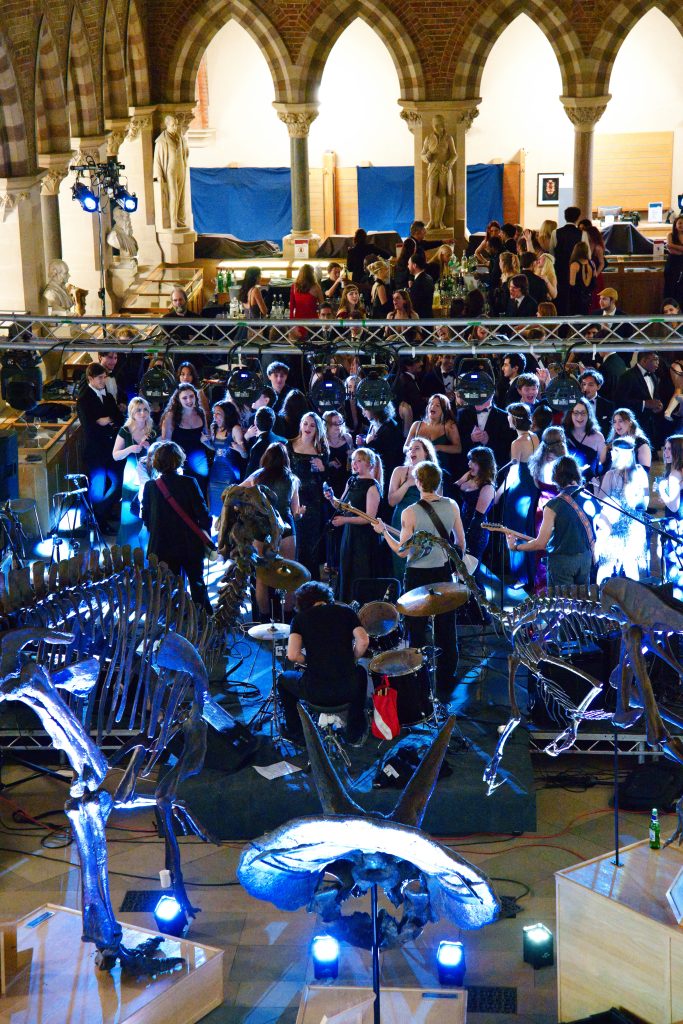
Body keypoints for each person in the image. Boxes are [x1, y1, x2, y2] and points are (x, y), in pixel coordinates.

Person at [373, 460, 465, 696]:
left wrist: (384, 532)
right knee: (446, 626)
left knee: (416, 628)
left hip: (417, 575)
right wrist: (456, 568)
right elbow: (460, 542)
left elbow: (402, 552)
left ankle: (419, 679)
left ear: (418, 482)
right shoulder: (452, 505)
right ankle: (446, 679)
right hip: (442, 572)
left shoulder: (410, 512)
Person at [277, 581, 369, 746]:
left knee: (283, 680)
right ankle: (355, 731)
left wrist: (309, 660)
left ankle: (297, 733)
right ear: (327, 598)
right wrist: (351, 658)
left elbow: (292, 655)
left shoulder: (299, 619)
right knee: (361, 672)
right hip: (348, 689)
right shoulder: (346, 612)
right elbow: (363, 641)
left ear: (302, 603)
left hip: (316, 691)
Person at [141, 440, 212, 613]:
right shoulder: (190, 482)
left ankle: (173, 621)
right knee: (197, 584)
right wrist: (205, 534)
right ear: (179, 459)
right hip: (189, 544)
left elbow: (146, 518)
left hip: (162, 546)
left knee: (168, 588)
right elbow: (203, 515)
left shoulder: (151, 486)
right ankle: (203, 620)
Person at [506, 455, 595, 587]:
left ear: (556, 477)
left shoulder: (554, 505)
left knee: (562, 600)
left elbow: (540, 543)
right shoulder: (590, 497)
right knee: (582, 600)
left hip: (562, 563)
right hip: (585, 559)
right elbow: (603, 528)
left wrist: (516, 547)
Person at [243, 442, 301, 619]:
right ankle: (287, 617)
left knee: (261, 577)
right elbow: (296, 510)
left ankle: (264, 618)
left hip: (261, 527)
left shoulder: (258, 476)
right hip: (285, 528)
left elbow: (237, 490)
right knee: (289, 574)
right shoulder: (292, 479)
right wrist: (301, 513)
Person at [327, 447, 383, 603]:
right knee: (347, 569)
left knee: (360, 571)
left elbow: (369, 518)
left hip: (364, 538)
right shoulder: (352, 481)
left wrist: (345, 520)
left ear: (370, 464)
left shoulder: (372, 486)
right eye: (353, 460)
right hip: (350, 534)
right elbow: (342, 506)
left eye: (359, 461)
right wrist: (331, 498)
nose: (354, 464)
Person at [77, 362, 124, 533]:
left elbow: (118, 418)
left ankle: (103, 514)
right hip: (95, 450)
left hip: (110, 448)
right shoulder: (84, 400)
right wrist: (107, 420)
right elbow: (89, 426)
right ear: (90, 379)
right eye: (100, 378)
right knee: (98, 486)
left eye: (104, 377)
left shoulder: (108, 396)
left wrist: (107, 420)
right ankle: (97, 521)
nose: (103, 381)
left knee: (116, 482)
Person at [594, 436, 649, 585]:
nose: (612, 454)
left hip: (631, 527)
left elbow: (645, 503)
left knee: (629, 566)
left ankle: (631, 596)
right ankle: (603, 594)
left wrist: (633, 495)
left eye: (615, 451)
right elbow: (601, 501)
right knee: (608, 566)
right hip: (614, 526)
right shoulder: (611, 474)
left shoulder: (638, 473)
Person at [387, 437, 439, 581]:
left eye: (417, 448)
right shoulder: (399, 471)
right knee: (401, 563)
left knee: (422, 565)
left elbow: (438, 503)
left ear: (426, 453)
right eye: (410, 449)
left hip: (424, 522)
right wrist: (408, 484)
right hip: (401, 521)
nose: (412, 451)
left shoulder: (434, 473)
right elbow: (391, 501)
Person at [289, 411, 329, 580]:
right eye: (305, 423)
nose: (308, 427)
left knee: (311, 543)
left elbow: (326, 480)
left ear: (317, 429)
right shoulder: (289, 445)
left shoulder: (322, 449)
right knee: (295, 541)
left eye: (312, 425)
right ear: (300, 425)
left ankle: (311, 583)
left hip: (313, 501)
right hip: (294, 497)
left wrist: (323, 468)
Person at [160, 382, 211, 499]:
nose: (189, 400)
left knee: (200, 495)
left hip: (199, 461)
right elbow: (166, 443)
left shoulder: (201, 412)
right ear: (178, 400)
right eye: (184, 398)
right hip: (179, 462)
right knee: (182, 498)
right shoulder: (171, 416)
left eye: (191, 396)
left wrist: (207, 438)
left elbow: (207, 436)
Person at [112, 396, 157, 516]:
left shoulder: (153, 430)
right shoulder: (125, 431)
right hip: (131, 474)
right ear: (132, 412)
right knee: (130, 510)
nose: (143, 413)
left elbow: (161, 453)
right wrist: (130, 449)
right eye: (138, 410)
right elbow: (115, 455)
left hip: (150, 472)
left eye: (145, 409)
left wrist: (150, 448)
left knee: (150, 507)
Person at [455, 446, 496, 565]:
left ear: (483, 464)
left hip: (475, 533)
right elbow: (450, 493)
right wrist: (461, 480)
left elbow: (477, 518)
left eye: (473, 461)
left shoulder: (488, 487)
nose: (469, 464)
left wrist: (463, 537)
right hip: (461, 528)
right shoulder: (468, 479)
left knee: (468, 570)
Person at [406, 394, 461, 482]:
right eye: (431, 404)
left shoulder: (449, 425)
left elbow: (458, 448)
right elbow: (405, 447)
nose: (433, 407)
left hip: (440, 470)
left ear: (444, 410)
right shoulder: (416, 425)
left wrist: (437, 447)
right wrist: (414, 450)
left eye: (437, 405)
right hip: (416, 470)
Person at [615, 350, 663, 447]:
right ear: (644, 360)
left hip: (651, 427)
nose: (658, 363)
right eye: (655, 360)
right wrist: (644, 404)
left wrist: (658, 406)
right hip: (634, 426)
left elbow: (654, 397)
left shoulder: (653, 376)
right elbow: (620, 401)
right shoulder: (627, 376)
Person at [207, 400, 246, 518]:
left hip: (230, 473)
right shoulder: (214, 427)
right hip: (215, 472)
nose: (215, 417)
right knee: (214, 507)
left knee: (227, 507)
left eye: (218, 413)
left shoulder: (235, 429)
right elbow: (216, 449)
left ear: (227, 414)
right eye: (214, 413)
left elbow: (245, 455)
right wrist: (205, 442)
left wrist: (239, 449)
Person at [153, 114, 190, 229]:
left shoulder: (180, 138)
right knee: (173, 195)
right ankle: (173, 222)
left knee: (181, 196)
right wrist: (158, 175)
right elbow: (157, 159)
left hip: (181, 168)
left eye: (176, 124)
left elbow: (185, 152)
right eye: (173, 125)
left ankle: (180, 219)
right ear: (167, 125)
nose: (175, 127)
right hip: (170, 170)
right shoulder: (161, 141)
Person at [421, 115, 457, 230]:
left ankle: (440, 220)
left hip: (443, 169)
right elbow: (422, 154)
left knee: (442, 194)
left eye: (438, 124)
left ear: (443, 124)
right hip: (432, 168)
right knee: (431, 194)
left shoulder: (448, 138)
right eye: (434, 125)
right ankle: (431, 221)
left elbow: (454, 155)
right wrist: (426, 157)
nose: (436, 127)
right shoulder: (428, 138)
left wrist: (449, 163)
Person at [550, 206, 584, 315]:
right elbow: (586, 254)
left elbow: (551, 254)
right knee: (575, 299)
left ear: (565, 217)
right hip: (577, 272)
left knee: (561, 300)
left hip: (559, 271)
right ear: (578, 218)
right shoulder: (582, 234)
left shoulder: (555, 233)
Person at [562, 398, 604, 480]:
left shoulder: (598, 437)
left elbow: (603, 466)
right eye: (576, 413)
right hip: (565, 483)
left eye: (583, 413)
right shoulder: (563, 434)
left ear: (589, 414)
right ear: (570, 414)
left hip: (589, 484)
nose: (579, 417)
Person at [600, 407, 652, 471]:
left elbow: (644, 470)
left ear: (630, 423)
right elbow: (601, 465)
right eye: (614, 422)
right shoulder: (610, 443)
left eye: (620, 421)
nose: (617, 425)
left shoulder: (641, 443)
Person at [245, 406, 286, 476]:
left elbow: (250, 474)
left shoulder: (257, 447)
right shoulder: (283, 441)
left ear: (255, 422)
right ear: (273, 422)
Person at [289, 264, 323, 338]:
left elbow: (291, 307)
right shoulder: (316, 287)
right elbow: (322, 306)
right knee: (314, 342)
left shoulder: (294, 286)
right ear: (312, 274)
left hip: (298, 321)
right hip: (313, 322)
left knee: (298, 343)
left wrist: (292, 324)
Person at [579, 368, 614, 436]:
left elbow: (610, 429)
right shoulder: (575, 404)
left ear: (598, 386)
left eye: (590, 385)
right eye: (584, 384)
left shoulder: (609, 406)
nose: (586, 388)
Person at [568, 242, 596, 316]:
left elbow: (572, 284)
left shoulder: (574, 265)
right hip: (588, 296)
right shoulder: (592, 263)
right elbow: (594, 280)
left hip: (577, 298)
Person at [408, 251, 435, 320]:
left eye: (409, 264)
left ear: (414, 265)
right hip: (429, 318)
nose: (407, 266)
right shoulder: (429, 278)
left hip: (420, 320)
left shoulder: (418, 283)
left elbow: (414, 304)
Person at [664, 215, 683, 307]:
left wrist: (673, 246)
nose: (682, 225)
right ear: (675, 225)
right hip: (672, 263)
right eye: (680, 223)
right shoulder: (670, 235)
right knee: (671, 287)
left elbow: (671, 246)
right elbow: (670, 248)